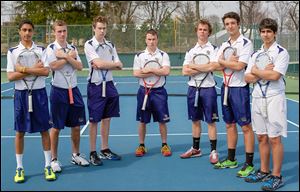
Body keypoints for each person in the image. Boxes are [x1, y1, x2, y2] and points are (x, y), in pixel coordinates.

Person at [6, 19, 56, 182]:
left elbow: (46, 72)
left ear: (33, 32)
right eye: (24, 30)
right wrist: (35, 69)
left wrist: (23, 69)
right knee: (20, 132)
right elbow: (11, 76)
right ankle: (19, 168)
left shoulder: (41, 49)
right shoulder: (12, 52)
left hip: (39, 94)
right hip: (20, 95)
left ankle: (48, 165)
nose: (27, 33)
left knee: (44, 131)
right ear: (19, 31)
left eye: (30, 30)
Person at [244, 18, 289, 191]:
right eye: (263, 31)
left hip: (274, 98)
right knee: (261, 136)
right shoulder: (255, 54)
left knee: (274, 138)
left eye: (269, 31)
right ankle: (264, 170)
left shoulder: (281, 52)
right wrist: (260, 71)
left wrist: (256, 71)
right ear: (260, 33)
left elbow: (275, 76)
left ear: (274, 33)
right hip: (257, 98)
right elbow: (247, 78)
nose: (266, 34)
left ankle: (276, 176)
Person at [213, 12, 255, 178]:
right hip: (225, 88)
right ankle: (231, 159)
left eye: (232, 23)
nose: (230, 26)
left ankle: (249, 163)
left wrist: (224, 62)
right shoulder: (224, 44)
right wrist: (227, 62)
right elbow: (217, 65)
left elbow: (239, 66)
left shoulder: (246, 43)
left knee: (245, 127)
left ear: (238, 24)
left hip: (239, 89)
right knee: (229, 124)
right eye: (227, 24)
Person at [46, 20, 89, 173]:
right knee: (56, 128)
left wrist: (64, 56)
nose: (62, 34)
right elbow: (54, 66)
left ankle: (75, 155)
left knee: (76, 126)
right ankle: (54, 159)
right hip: (58, 92)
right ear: (54, 32)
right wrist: (69, 58)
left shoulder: (73, 48)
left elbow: (80, 66)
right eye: (59, 31)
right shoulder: (51, 49)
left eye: (64, 31)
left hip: (74, 90)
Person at [84, 16, 123, 165]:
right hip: (96, 86)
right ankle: (93, 153)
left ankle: (104, 149)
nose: (102, 31)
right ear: (94, 28)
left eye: (104, 28)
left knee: (107, 119)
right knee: (94, 121)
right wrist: (111, 64)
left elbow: (120, 65)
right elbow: (99, 64)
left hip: (110, 84)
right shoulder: (89, 45)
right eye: (99, 28)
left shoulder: (110, 45)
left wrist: (105, 64)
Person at [180, 19, 220, 164]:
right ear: (196, 31)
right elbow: (184, 71)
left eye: (205, 30)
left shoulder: (215, 49)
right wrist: (204, 66)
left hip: (208, 89)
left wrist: (194, 66)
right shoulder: (191, 50)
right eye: (200, 29)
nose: (202, 32)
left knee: (210, 121)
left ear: (209, 32)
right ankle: (196, 149)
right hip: (192, 88)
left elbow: (213, 67)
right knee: (195, 120)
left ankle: (214, 151)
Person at [133, 29, 172, 157]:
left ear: (157, 39)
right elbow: (136, 73)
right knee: (142, 121)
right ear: (146, 40)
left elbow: (166, 71)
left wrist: (148, 70)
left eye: (154, 39)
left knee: (162, 120)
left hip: (159, 92)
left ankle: (164, 145)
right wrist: (156, 70)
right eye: (149, 39)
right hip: (143, 91)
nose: (151, 42)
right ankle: (141, 145)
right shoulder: (139, 56)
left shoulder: (163, 55)